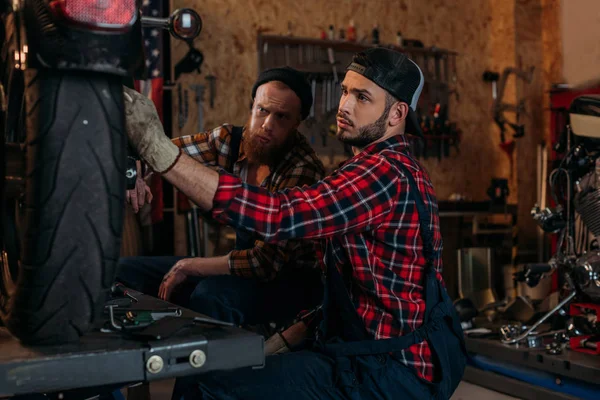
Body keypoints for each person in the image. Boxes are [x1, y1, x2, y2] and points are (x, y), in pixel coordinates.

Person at [125, 48, 466, 399]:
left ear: (397, 113)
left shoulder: (385, 174)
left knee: (215, 385)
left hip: (389, 371)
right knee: (226, 372)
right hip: (363, 354)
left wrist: (157, 149)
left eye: (362, 97)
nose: (344, 106)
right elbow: (359, 292)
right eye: (345, 91)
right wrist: (287, 338)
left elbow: (279, 216)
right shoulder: (368, 169)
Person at [118, 67, 326, 328]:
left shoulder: (303, 170)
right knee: (124, 271)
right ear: (252, 107)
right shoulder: (229, 141)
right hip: (241, 264)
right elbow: (163, 152)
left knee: (211, 297)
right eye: (262, 110)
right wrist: (132, 171)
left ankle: (209, 366)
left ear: (297, 123)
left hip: (285, 282)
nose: (267, 125)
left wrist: (190, 265)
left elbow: (265, 263)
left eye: (282, 117)